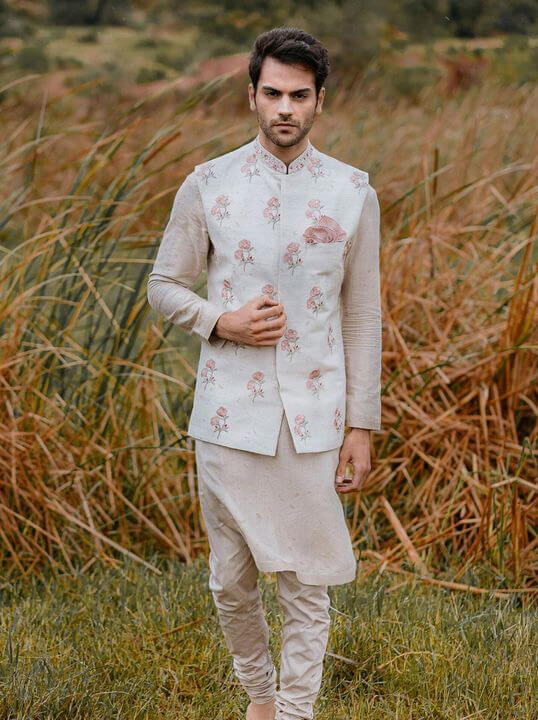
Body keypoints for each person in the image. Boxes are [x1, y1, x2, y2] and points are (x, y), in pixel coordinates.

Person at [147, 26, 382, 720]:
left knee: (307, 580)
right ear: (251, 95)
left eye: (299, 96)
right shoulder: (208, 184)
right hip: (227, 413)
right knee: (231, 580)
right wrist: (221, 321)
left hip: (315, 416)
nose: (286, 107)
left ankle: (295, 710)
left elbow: (363, 316)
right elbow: (165, 284)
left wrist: (360, 425)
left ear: (319, 102)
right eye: (273, 93)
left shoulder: (351, 194)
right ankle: (257, 696)